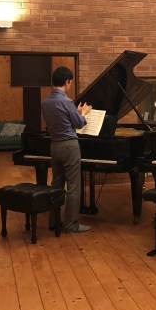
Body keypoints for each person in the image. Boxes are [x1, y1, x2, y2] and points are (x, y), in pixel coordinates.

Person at [41, 66, 93, 233]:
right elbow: (78, 124)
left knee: (56, 184)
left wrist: (75, 113)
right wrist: (83, 113)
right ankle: (71, 224)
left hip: (54, 145)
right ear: (67, 82)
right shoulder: (67, 102)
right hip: (69, 146)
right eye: (70, 82)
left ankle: (54, 221)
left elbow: (61, 119)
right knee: (73, 187)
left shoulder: (45, 102)